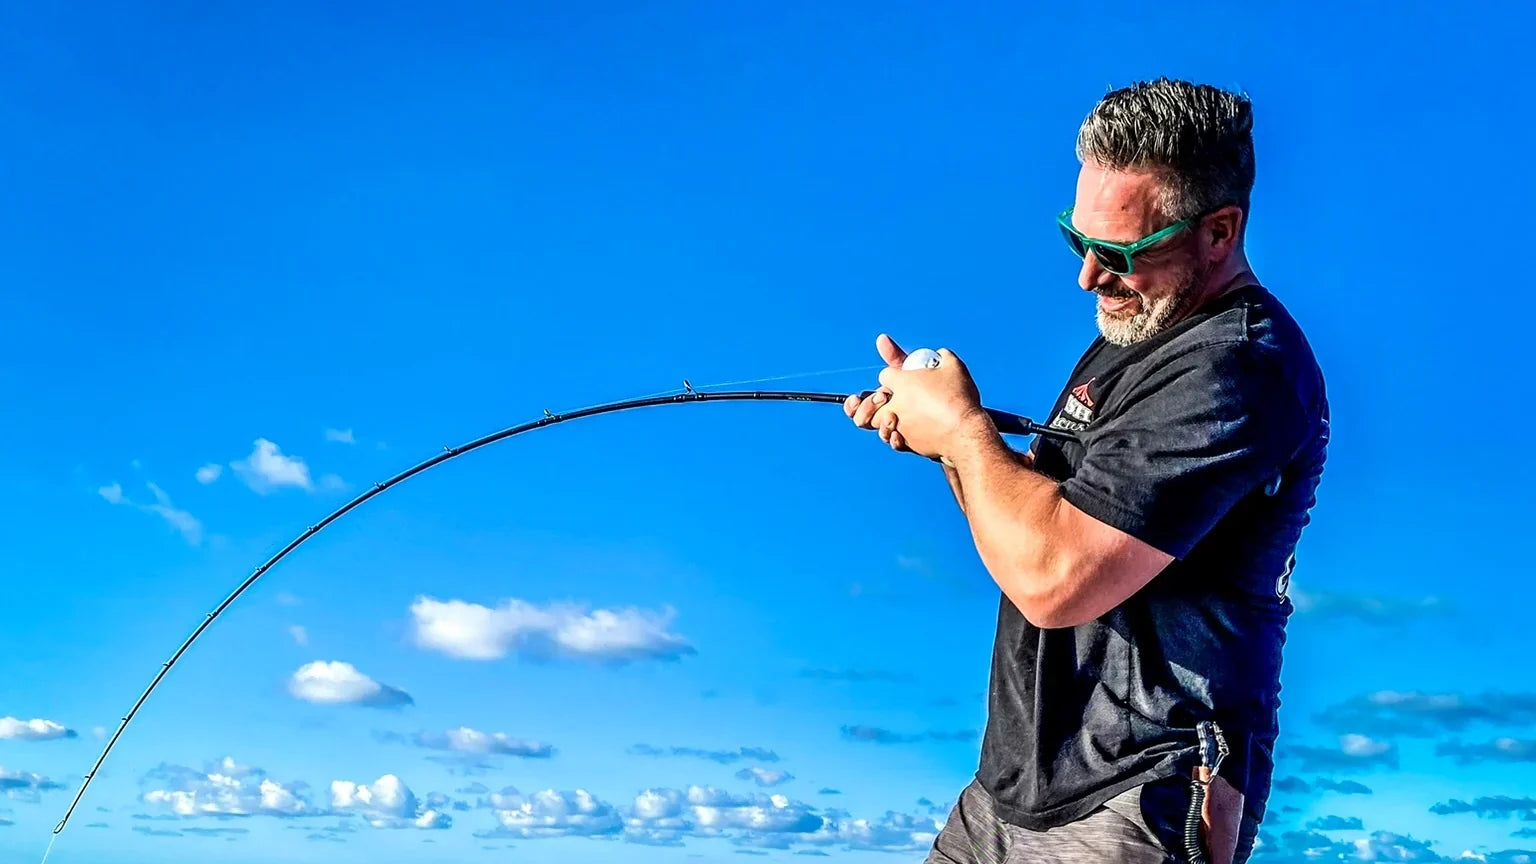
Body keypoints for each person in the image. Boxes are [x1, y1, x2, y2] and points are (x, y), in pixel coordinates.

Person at [842, 78, 1329, 864]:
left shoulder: (1238, 365)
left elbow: (1055, 579)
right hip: (1008, 788)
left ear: (1219, 231)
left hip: (1138, 796)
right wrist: (943, 440)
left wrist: (964, 431)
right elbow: (1031, 523)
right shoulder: (1133, 332)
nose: (1090, 277)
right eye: (1079, 240)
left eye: (1123, 252)